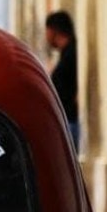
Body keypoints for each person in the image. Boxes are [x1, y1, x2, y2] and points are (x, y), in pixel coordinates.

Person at [45, 11, 80, 150]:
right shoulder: (67, 54)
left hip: (70, 121)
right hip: (67, 121)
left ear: (53, 31)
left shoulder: (71, 55)